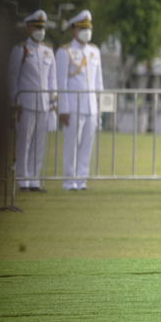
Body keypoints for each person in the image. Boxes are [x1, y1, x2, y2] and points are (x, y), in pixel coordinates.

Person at [8, 10, 56, 192]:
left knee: (39, 144)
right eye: (37, 27)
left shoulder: (48, 51)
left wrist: (53, 104)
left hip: (44, 104)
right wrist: (15, 102)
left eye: (43, 27)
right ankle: (22, 180)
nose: (41, 30)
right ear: (29, 28)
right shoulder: (20, 49)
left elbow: (53, 81)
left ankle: (34, 180)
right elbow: (12, 77)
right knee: (24, 143)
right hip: (25, 105)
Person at [56, 10, 104, 191]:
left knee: (86, 146)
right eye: (83, 28)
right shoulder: (65, 51)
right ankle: (69, 181)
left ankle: (81, 180)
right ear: (75, 30)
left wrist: (99, 106)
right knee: (71, 146)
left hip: (91, 107)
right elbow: (61, 84)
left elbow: (99, 82)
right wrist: (63, 109)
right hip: (73, 107)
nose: (87, 32)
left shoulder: (94, 51)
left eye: (88, 28)